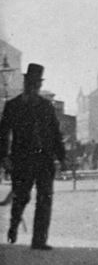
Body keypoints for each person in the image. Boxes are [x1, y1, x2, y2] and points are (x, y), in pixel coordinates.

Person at [0, 64, 66, 249]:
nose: (33, 87)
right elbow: (3, 133)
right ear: (25, 83)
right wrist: (4, 156)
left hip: (44, 160)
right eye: (30, 83)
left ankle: (39, 240)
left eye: (36, 84)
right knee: (21, 197)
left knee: (45, 199)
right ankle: (13, 226)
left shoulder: (46, 106)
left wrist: (61, 156)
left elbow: (55, 132)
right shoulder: (13, 106)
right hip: (21, 159)